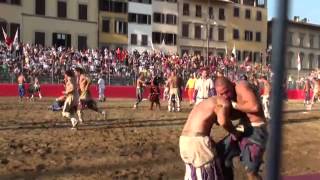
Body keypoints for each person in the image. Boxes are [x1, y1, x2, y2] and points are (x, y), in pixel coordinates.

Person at [214, 77, 267, 180]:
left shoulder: (241, 86)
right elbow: (236, 115)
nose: (225, 96)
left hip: (256, 129)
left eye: (227, 92)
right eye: (221, 94)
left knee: (251, 172)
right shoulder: (226, 98)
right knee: (221, 154)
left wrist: (234, 105)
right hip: (242, 128)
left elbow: (254, 107)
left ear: (232, 84)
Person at [180, 95, 239, 180]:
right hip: (197, 142)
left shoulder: (204, 103)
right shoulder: (223, 101)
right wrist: (234, 132)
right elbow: (223, 121)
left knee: (193, 173)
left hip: (184, 141)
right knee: (208, 173)